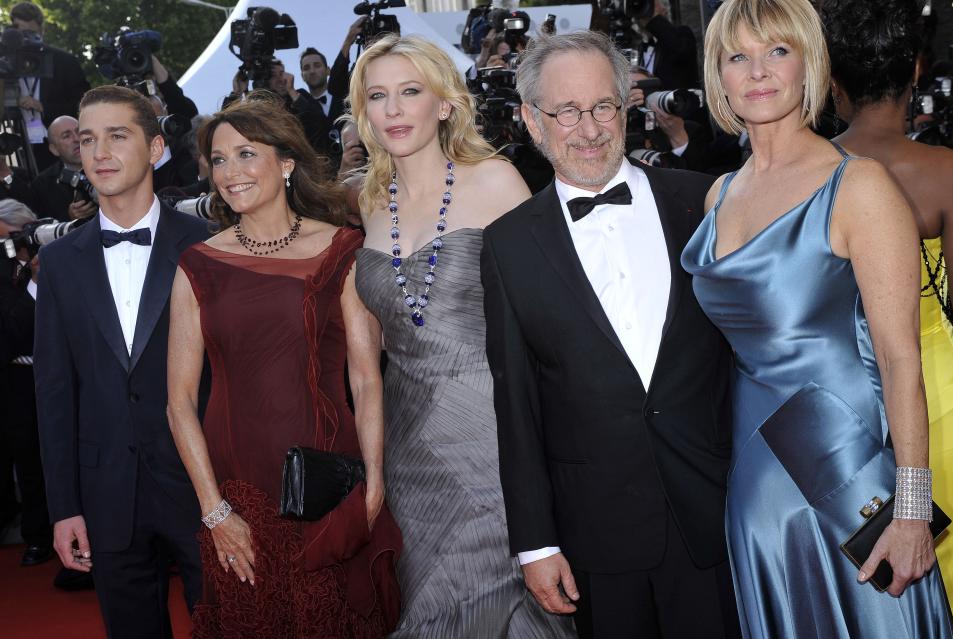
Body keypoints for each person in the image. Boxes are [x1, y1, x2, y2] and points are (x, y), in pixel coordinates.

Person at [681, 0, 953, 636]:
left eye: (777, 50)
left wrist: (911, 513)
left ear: (811, 62)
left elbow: (900, 358)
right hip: (758, 489)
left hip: (849, 476)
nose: (757, 71)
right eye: (737, 56)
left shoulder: (860, 186)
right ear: (717, 76)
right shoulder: (718, 194)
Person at [481, 30, 739, 638]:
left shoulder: (700, 201)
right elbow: (516, 403)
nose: (589, 128)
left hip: (716, 513)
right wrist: (534, 544)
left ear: (626, 109)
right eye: (566, 112)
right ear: (531, 121)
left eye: (603, 107)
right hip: (594, 533)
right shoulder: (508, 244)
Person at [348, 34, 575, 637]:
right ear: (364, 112)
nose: (394, 110)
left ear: (445, 103)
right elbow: (364, 365)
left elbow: (551, 320)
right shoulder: (369, 202)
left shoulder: (495, 181)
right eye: (378, 96)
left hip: (496, 439)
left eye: (410, 92)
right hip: (411, 450)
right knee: (428, 601)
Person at [166, 93, 402, 638]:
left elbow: (367, 380)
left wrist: (373, 487)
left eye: (246, 154)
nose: (230, 172)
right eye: (218, 159)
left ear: (287, 162)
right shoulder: (200, 264)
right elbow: (178, 402)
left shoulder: (341, 248)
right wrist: (214, 510)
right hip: (236, 486)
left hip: (327, 479)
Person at [33, 85, 208, 638]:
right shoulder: (59, 261)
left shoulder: (208, 246)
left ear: (156, 148)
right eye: (87, 139)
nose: (99, 152)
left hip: (205, 489)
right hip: (106, 495)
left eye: (117, 135)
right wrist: (63, 507)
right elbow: (54, 391)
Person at [821, 0, 953, 625]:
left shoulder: (810, 176)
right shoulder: (948, 173)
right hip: (942, 401)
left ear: (832, 81)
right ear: (918, 71)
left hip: (844, 412)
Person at [0, 199, 52, 567]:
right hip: (19, 379)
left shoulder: (62, 260)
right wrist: (34, 281)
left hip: (62, 375)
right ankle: (38, 537)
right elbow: (12, 331)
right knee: (30, 460)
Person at [8, 2, 91, 173]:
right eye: (21, 34)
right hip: (20, 148)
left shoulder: (64, 61)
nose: (26, 39)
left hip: (63, 150)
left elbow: (85, 105)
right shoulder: (7, 66)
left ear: (42, 30)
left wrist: (43, 107)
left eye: (30, 33)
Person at [29, 115, 96, 222]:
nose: (76, 139)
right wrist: (69, 217)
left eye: (79, 131)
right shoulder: (42, 184)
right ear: (54, 149)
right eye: (66, 136)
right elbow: (41, 226)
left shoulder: (110, 165)